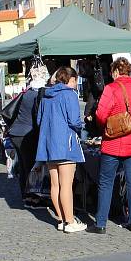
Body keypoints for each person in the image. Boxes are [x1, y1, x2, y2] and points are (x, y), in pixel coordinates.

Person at [91, 58, 131, 234]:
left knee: (106, 182)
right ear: (129, 72)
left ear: (115, 72)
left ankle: (101, 223)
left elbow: (100, 115)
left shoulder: (110, 89)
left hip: (113, 143)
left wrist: (107, 128)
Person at [35, 66, 86, 233]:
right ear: (70, 80)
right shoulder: (69, 94)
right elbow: (74, 121)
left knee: (55, 185)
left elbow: (39, 121)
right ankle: (70, 221)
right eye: (74, 81)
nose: (75, 84)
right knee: (66, 185)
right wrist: (80, 128)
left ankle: (62, 219)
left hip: (48, 145)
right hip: (66, 144)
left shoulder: (45, 96)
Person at [6, 74, 46, 205]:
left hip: (15, 133)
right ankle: (32, 196)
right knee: (30, 165)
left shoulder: (26, 93)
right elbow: (38, 118)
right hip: (26, 134)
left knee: (23, 165)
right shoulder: (37, 96)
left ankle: (25, 194)